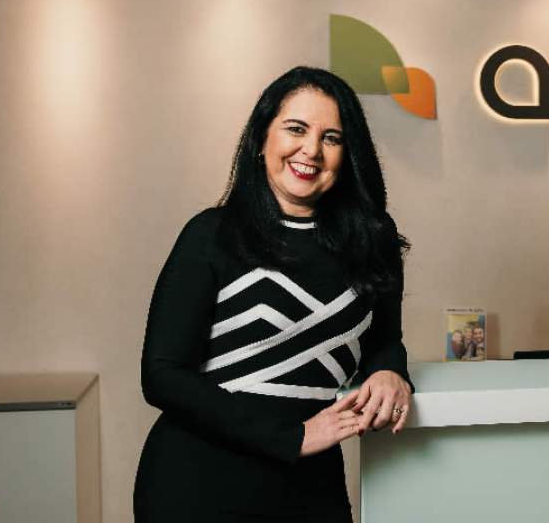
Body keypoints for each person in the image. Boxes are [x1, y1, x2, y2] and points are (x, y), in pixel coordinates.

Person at [134, 67, 413, 523]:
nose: (311, 150)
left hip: (313, 487)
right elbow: (162, 374)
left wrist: (389, 372)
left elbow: (384, 339)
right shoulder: (212, 234)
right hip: (199, 486)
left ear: (348, 154)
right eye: (296, 129)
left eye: (331, 138)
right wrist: (292, 437)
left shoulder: (373, 241)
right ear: (261, 139)